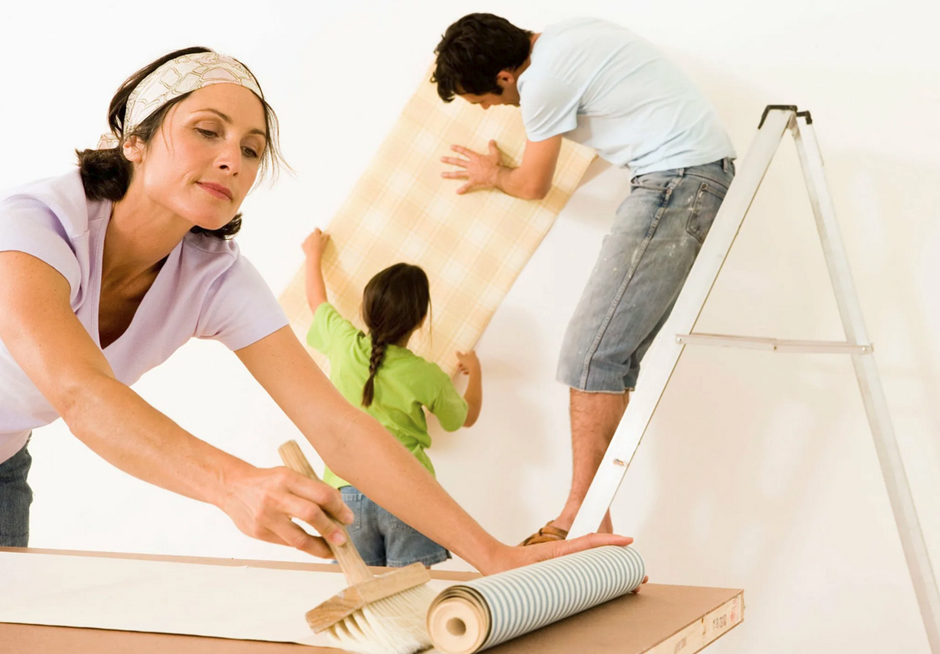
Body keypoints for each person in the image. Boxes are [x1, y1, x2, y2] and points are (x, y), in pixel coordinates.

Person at [0, 46, 632, 572]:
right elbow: (81, 393)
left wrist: (492, 555)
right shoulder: (34, 226)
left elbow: (340, 427)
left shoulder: (213, 275)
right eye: (207, 131)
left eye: (252, 149)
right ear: (134, 140)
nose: (232, 160)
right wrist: (231, 483)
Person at [433, 14, 737, 544]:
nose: (487, 110)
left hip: (676, 183)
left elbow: (532, 183)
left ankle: (580, 515)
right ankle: (596, 520)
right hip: (690, 178)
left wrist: (492, 173)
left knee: (590, 357)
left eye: (482, 99)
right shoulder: (567, 35)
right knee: (607, 360)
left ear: (504, 77)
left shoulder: (540, 82)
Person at [302, 229, 482, 567]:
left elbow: (317, 302)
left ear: (364, 308)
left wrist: (313, 254)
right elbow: (466, 416)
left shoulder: (343, 344)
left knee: (358, 589)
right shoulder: (427, 375)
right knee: (414, 590)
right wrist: (476, 372)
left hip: (346, 493)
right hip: (410, 493)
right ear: (421, 320)